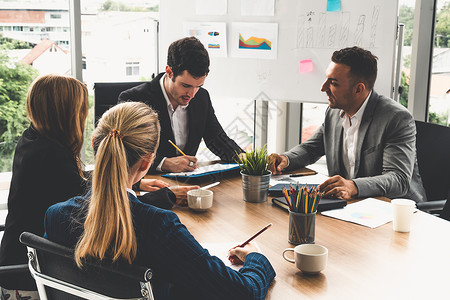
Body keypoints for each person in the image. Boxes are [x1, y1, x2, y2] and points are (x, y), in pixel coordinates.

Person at [44, 102, 275, 299]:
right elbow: (242, 293)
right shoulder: (158, 227)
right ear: (147, 163)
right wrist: (257, 258)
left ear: (95, 143)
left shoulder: (56, 215)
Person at [0, 75, 193, 298]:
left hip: (19, 256)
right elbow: (108, 205)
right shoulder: (52, 157)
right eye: (82, 109)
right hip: (29, 276)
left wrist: (136, 180)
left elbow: (79, 182)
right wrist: (166, 196)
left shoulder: (34, 140)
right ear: (66, 112)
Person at [269, 46, 426, 203]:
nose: (323, 88)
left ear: (358, 89)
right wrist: (285, 159)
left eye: (333, 83)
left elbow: (398, 179)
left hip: (394, 210)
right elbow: (311, 149)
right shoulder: (334, 113)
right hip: (350, 206)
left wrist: (353, 186)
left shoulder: (396, 118)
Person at [119, 36, 243, 173]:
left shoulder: (202, 97)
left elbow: (217, 139)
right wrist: (164, 163)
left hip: (188, 185)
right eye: (186, 85)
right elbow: (125, 151)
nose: (192, 94)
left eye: (198, 86)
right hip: (148, 184)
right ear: (169, 72)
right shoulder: (134, 99)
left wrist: (248, 159)